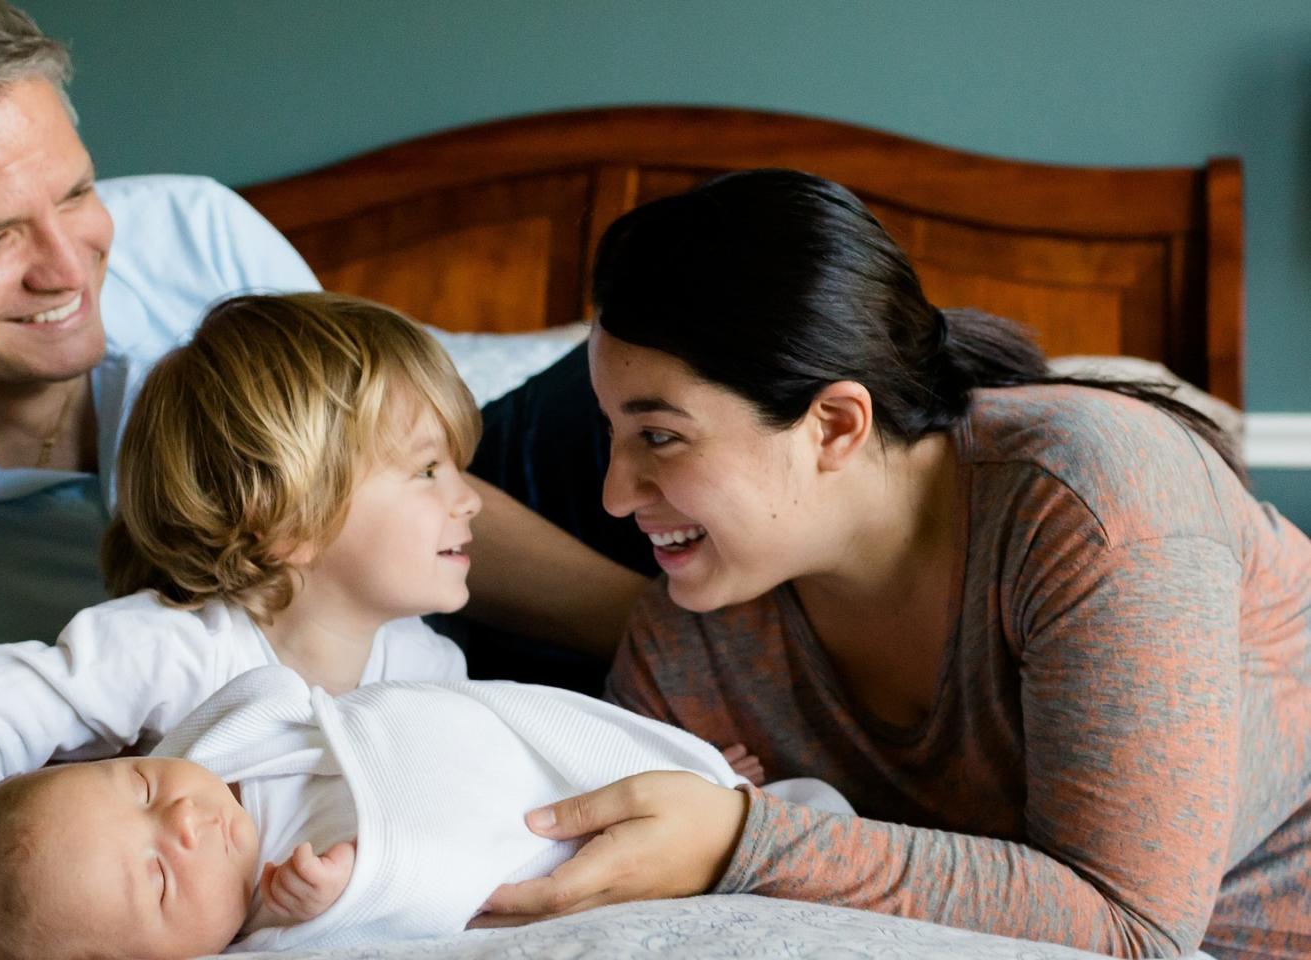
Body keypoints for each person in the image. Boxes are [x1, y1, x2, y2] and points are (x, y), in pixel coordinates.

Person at [0, 0, 642, 837]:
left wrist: (664, 634)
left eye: (75, 193)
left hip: (432, 570)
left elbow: (385, 481)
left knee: (653, 357)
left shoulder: (194, 232)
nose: (71, 269)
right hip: (309, 692)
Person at [0, 291, 805, 948]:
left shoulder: (422, 667)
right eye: (427, 472)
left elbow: (500, 781)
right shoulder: (171, 643)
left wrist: (659, 768)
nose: (468, 501)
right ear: (288, 518)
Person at [474, 170, 1311, 959]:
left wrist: (742, 840)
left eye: (660, 436)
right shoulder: (686, 647)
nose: (615, 495)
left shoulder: (1091, 500)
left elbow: (1135, 928)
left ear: (836, 425)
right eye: (612, 434)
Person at [0, 665, 842, 960]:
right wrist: (343, 892)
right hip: (544, 842)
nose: (183, 821)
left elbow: (283, 696)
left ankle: (727, 798)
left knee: (766, 809)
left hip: (520, 752)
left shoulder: (227, 748)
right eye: (155, 877)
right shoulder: (274, 915)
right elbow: (421, 909)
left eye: (141, 788)